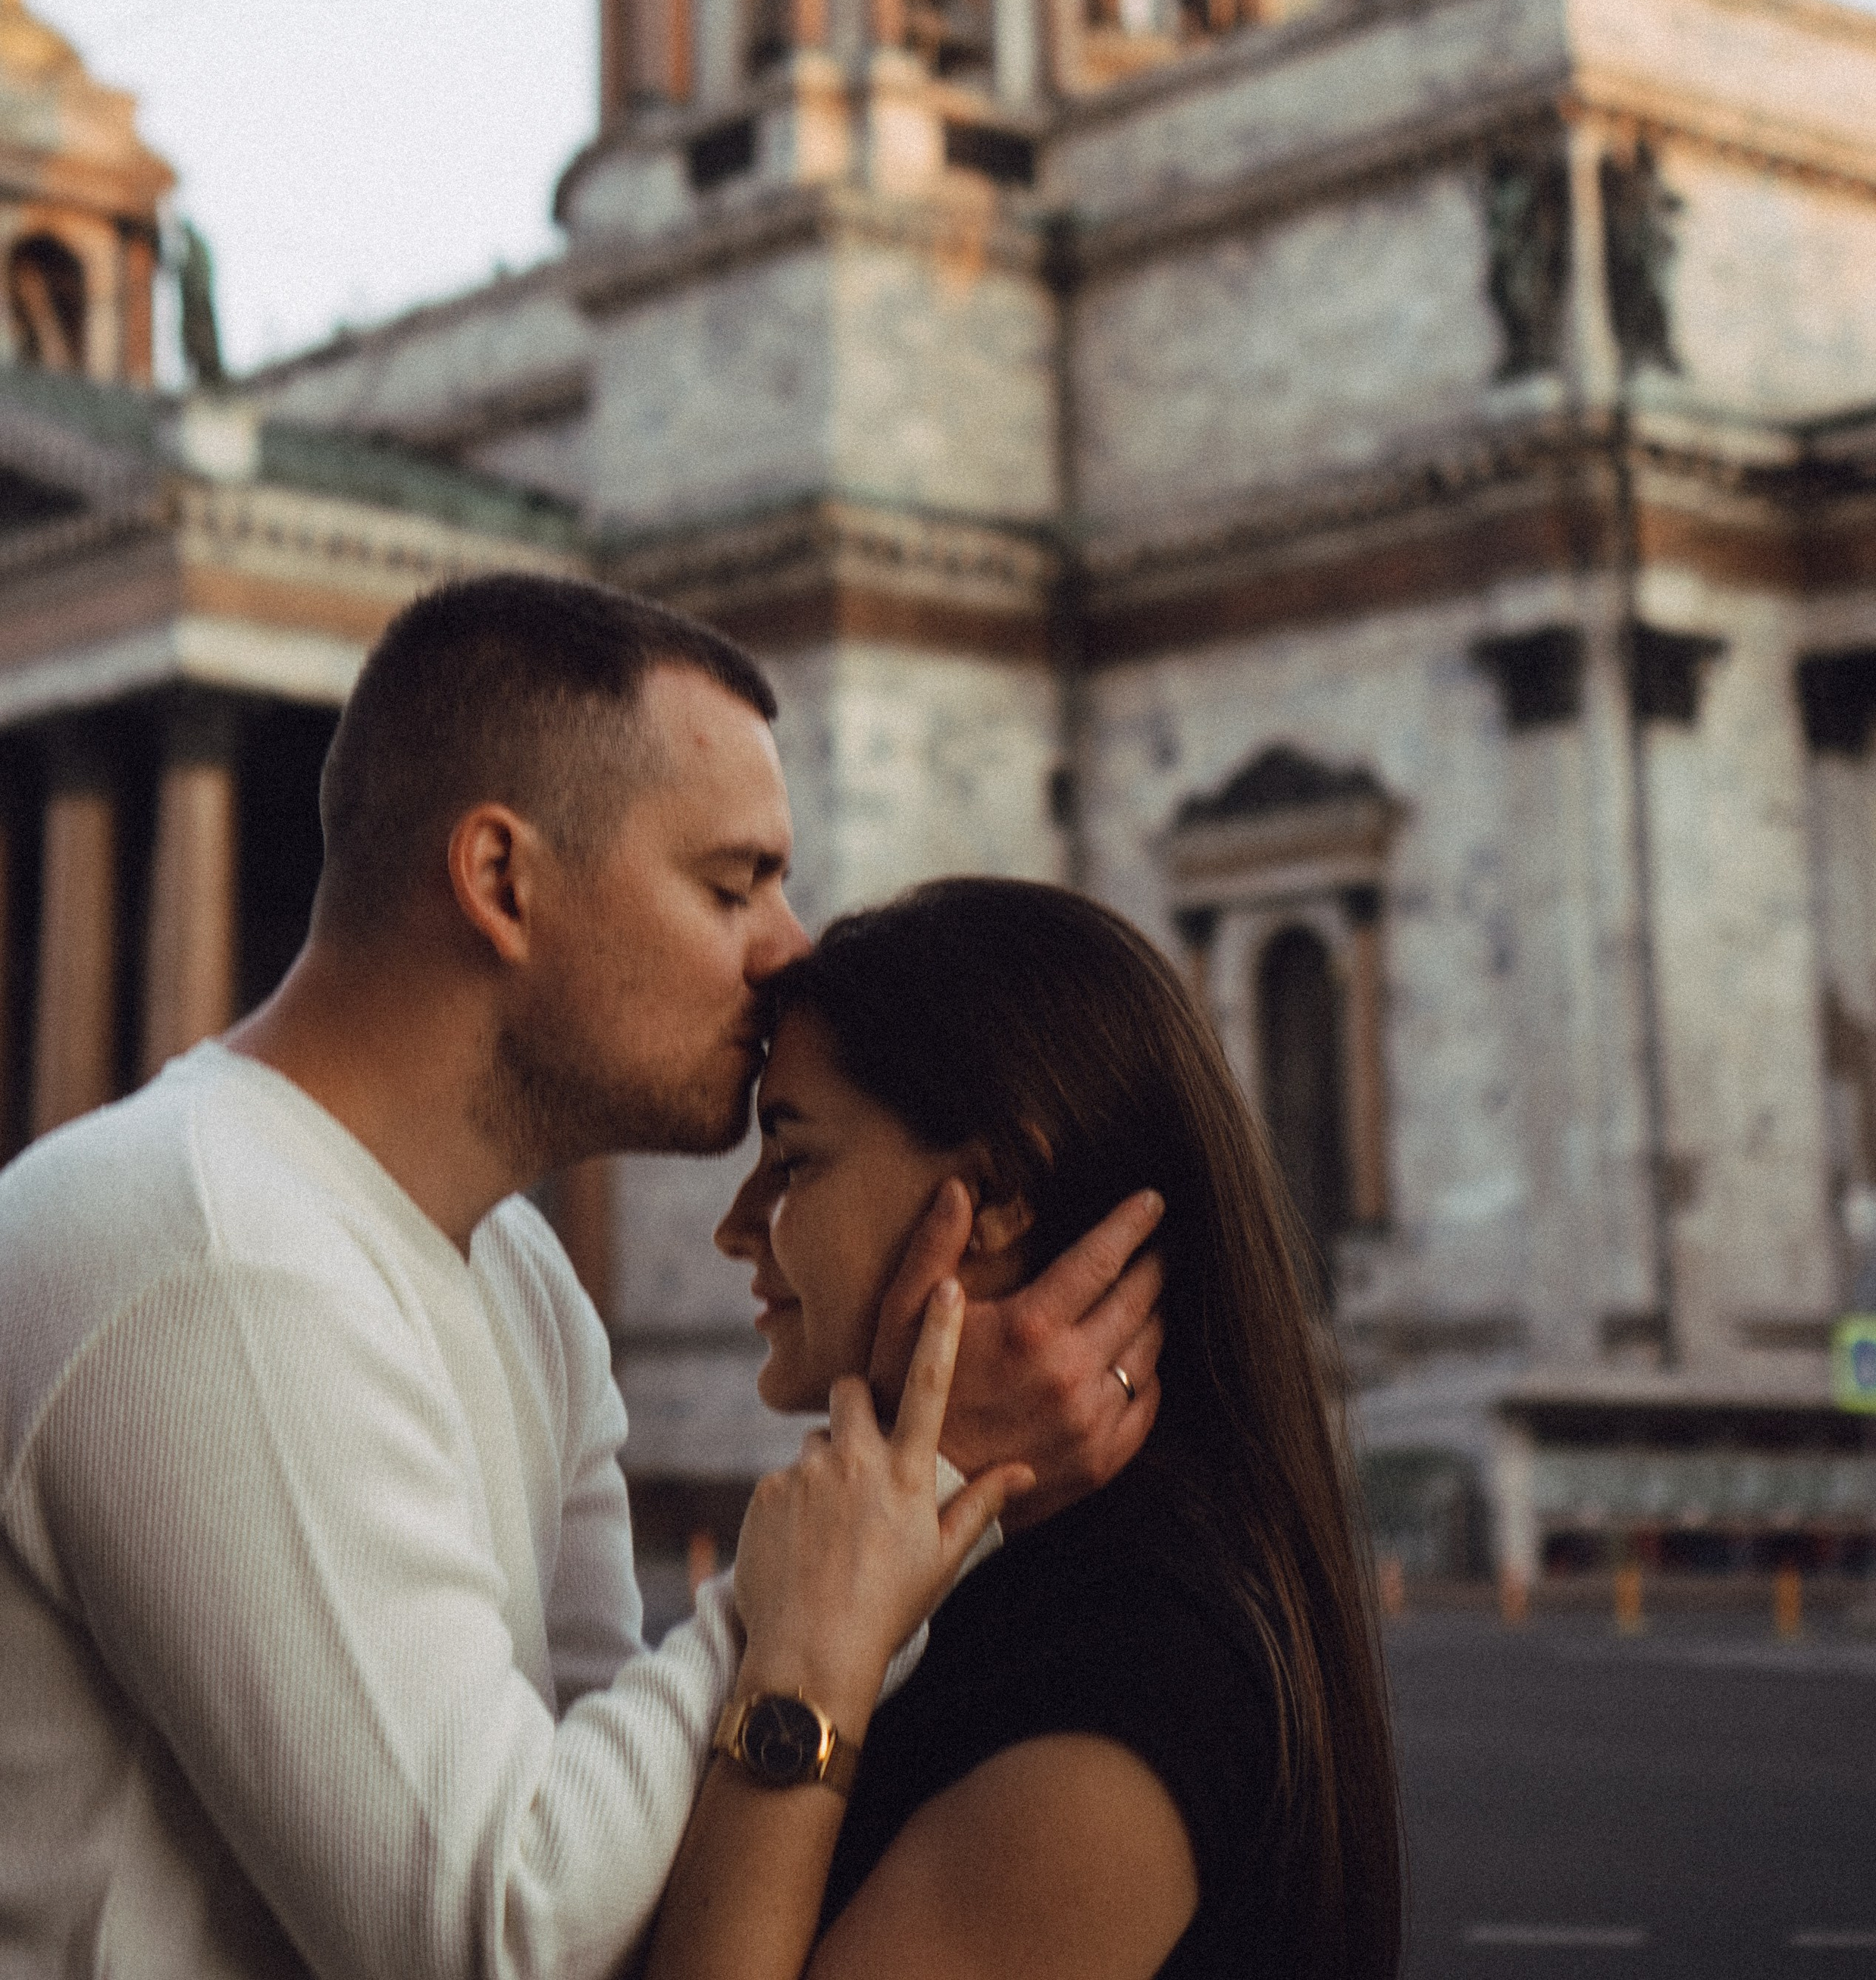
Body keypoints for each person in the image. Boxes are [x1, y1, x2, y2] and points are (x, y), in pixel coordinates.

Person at [0, 578, 1164, 1979]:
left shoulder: (519, 1276)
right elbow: (504, 1935)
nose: (792, 946)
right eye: (733, 883)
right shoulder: (211, 1252)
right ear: (502, 881)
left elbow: (631, 1851)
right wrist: (895, 1515)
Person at [644, 875, 1403, 1980]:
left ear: (996, 1197)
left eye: (794, 1158)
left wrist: (806, 1664)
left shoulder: (1134, 1686)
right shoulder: (1012, 1582)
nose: (733, 1226)